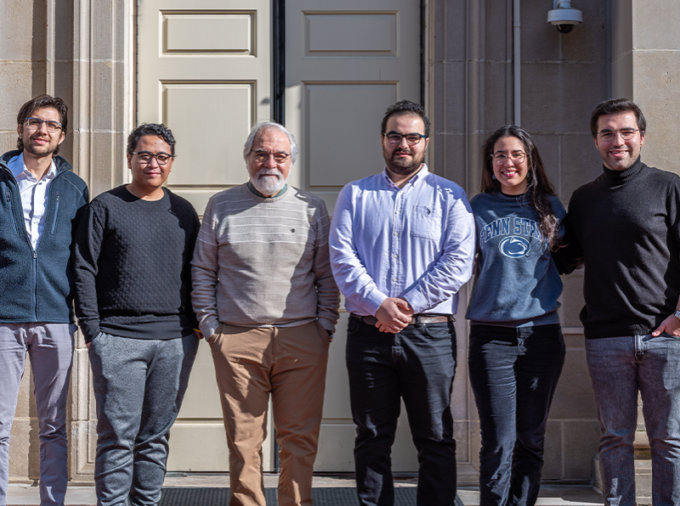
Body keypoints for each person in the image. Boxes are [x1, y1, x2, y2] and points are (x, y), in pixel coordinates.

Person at [329, 100, 476, 506]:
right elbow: (342, 258)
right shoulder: (355, 194)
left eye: (413, 136)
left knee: (435, 436)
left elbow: (458, 262)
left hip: (429, 335)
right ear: (382, 140)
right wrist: (378, 304)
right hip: (368, 335)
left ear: (426, 142)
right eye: (395, 135)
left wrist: (405, 305)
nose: (403, 144)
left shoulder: (450, 196)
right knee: (372, 436)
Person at [191, 121, 339, 506]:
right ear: (247, 158)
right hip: (237, 341)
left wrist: (323, 328)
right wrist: (211, 328)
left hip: (302, 338)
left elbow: (328, 275)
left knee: (299, 440)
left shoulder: (313, 208)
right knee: (243, 441)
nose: (269, 163)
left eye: (279, 156)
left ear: (291, 162)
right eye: (261, 154)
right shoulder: (221, 205)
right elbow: (203, 270)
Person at [555, 98, 680, 505]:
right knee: (615, 439)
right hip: (606, 338)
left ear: (641, 137)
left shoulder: (668, 186)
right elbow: (563, 256)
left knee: (669, 440)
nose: (617, 141)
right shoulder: (584, 198)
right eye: (607, 133)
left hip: (664, 336)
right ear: (595, 141)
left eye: (626, 132)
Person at [73, 123, 200, 506]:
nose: (152, 163)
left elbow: (198, 271)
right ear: (129, 158)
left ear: (172, 163)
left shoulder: (183, 212)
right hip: (118, 338)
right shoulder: (104, 208)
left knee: (156, 436)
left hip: (175, 341)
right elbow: (83, 268)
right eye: (144, 155)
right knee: (117, 436)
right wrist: (94, 331)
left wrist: (193, 327)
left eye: (161, 157)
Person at [466, 126, 566, 506]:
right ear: (490, 164)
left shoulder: (552, 208)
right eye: (500, 155)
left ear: (530, 160)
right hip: (492, 337)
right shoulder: (477, 207)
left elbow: (567, 258)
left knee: (531, 437)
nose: (509, 162)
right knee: (498, 439)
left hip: (541, 336)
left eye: (516, 154)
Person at [0, 94, 88, 506]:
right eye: (34, 122)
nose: (41, 130)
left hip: (55, 317)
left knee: (53, 424)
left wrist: (84, 316)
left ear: (61, 136)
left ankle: (54, 502)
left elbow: (83, 257)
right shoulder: (0, 179)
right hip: (3, 318)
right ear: (20, 129)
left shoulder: (73, 188)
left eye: (51, 125)